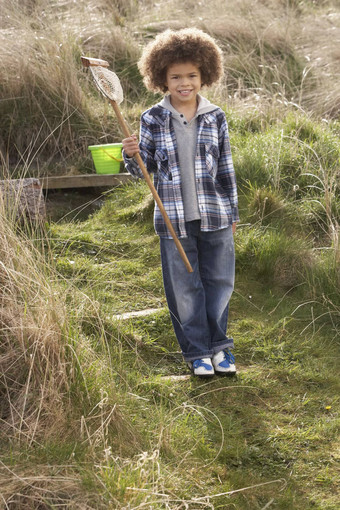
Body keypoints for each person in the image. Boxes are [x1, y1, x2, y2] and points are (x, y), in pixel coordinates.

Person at [122, 28, 239, 378]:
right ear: (161, 78)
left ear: (205, 75)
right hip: (174, 217)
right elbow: (146, 170)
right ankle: (197, 352)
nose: (184, 83)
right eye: (175, 77)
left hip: (215, 215)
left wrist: (233, 213)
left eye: (191, 75)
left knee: (219, 282)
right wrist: (132, 155)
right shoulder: (152, 118)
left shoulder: (215, 116)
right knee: (185, 288)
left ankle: (220, 347)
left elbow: (226, 168)